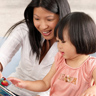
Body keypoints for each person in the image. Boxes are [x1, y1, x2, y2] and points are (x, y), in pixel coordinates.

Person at [8, 12, 96, 96]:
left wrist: (93, 89)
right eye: (58, 41)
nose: (59, 46)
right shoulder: (60, 59)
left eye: (63, 41)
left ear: (80, 40)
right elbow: (45, 83)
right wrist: (24, 84)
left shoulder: (92, 65)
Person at [0, 0, 71, 96]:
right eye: (37, 19)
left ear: (62, 17)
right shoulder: (24, 29)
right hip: (12, 88)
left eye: (49, 19)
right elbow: (3, 54)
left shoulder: (70, 46)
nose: (42, 26)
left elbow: (62, 84)